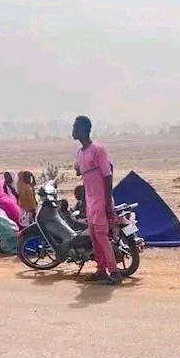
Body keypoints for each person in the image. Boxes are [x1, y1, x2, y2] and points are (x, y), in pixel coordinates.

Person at [72, 115, 120, 285]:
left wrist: (107, 203)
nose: (73, 130)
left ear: (84, 129)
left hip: (101, 200)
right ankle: (101, 270)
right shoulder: (80, 153)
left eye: (75, 127)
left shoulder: (97, 150)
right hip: (91, 201)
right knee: (94, 237)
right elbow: (84, 179)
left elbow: (107, 176)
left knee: (102, 236)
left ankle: (114, 271)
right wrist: (84, 204)